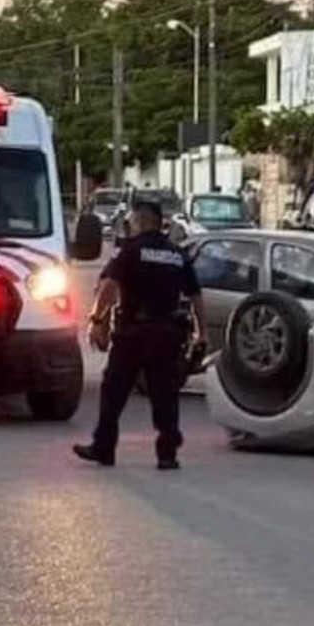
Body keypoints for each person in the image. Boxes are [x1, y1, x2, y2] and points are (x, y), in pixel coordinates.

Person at [74, 201, 207, 470]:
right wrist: (201, 332)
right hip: (167, 334)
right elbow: (195, 296)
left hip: (133, 334)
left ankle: (104, 448)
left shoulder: (130, 251)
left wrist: (97, 320)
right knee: (165, 395)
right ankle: (167, 454)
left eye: (132, 222)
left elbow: (109, 286)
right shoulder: (176, 254)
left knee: (114, 391)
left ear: (140, 222)